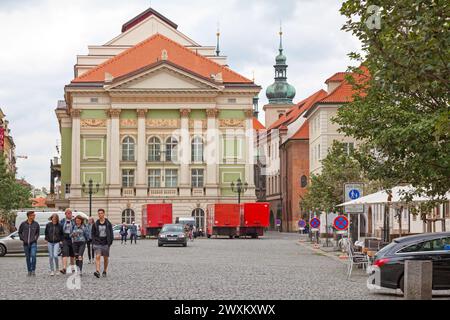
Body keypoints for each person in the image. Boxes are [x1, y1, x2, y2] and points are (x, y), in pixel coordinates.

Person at [92, 209, 114, 278]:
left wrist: (110, 242)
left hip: (106, 242)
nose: (100, 214)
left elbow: (111, 233)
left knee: (105, 258)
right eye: (99, 213)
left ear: (104, 214)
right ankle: (97, 271)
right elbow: (92, 234)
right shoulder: (95, 224)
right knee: (97, 256)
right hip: (98, 242)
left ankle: (104, 270)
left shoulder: (108, 223)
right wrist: (94, 241)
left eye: (101, 213)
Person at [18, 211, 40, 276]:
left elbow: (37, 233)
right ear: (29, 216)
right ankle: (29, 271)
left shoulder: (36, 224)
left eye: (34, 215)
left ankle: (33, 270)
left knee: (33, 256)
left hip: (33, 243)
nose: (34, 216)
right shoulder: (23, 224)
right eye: (33, 215)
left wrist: (35, 239)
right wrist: (23, 238)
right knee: (27, 258)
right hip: (25, 244)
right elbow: (19, 232)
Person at [60, 209, 76, 274]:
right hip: (64, 238)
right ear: (65, 214)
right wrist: (60, 239)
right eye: (68, 213)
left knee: (72, 254)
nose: (69, 214)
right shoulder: (62, 221)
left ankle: (72, 268)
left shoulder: (74, 221)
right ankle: (64, 268)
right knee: (65, 253)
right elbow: (60, 230)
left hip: (72, 238)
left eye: (70, 213)